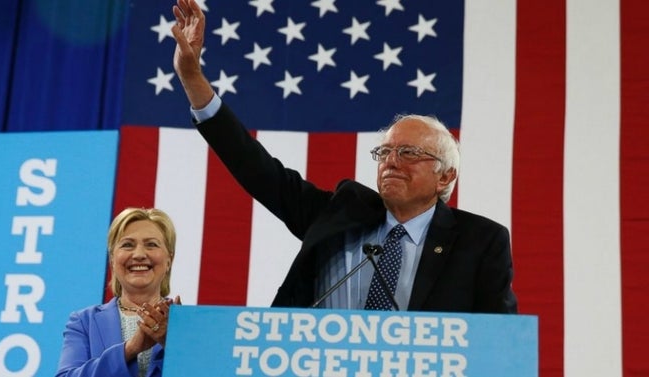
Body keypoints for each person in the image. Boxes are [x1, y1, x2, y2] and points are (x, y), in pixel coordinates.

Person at [170, 0, 517, 313]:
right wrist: (192, 78)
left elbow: (497, 341)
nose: (391, 161)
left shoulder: (480, 242)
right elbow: (256, 168)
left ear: (445, 176)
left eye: (408, 152)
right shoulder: (340, 214)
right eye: (384, 152)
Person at [55, 208, 182, 377]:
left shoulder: (186, 323)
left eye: (151, 244)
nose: (139, 254)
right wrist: (129, 349)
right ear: (113, 260)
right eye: (127, 245)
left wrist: (177, 345)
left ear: (169, 260)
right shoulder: (84, 322)